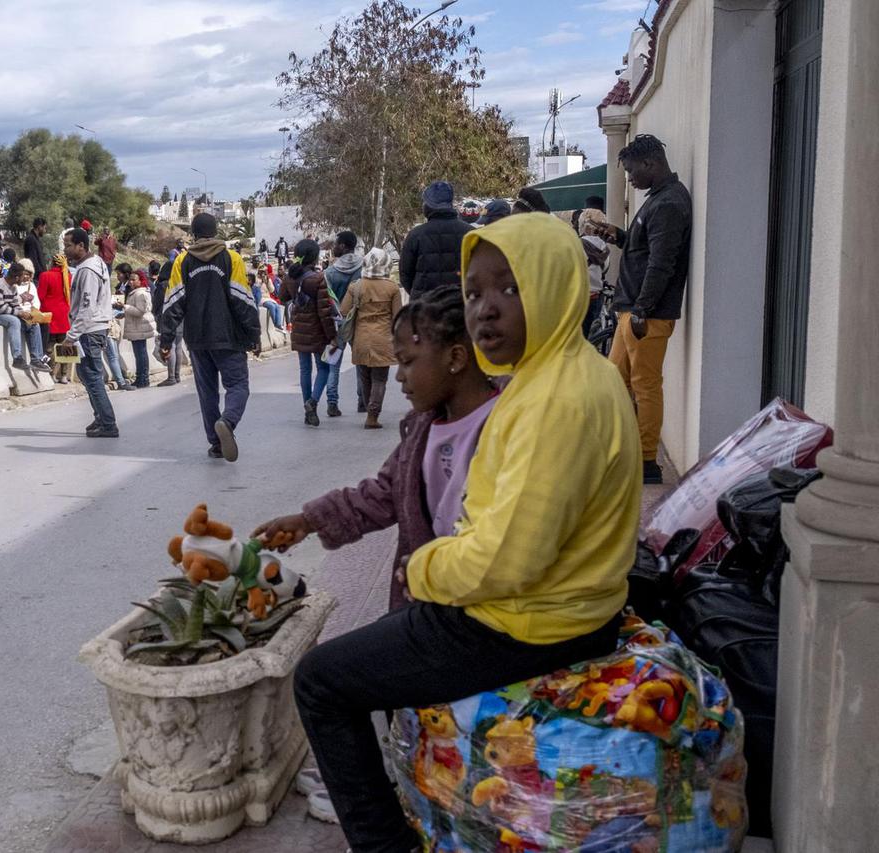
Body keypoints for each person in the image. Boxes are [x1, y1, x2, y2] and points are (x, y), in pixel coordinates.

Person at [263, 212, 641, 852]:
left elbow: (506, 559)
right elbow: (386, 493)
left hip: (523, 621)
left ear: (555, 286)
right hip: (546, 608)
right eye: (474, 294)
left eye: (510, 288)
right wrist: (312, 520)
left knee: (321, 682)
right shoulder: (562, 374)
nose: (486, 309)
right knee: (374, 667)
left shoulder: (554, 400)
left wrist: (419, 571)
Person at [599, 134, 692, 485]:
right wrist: (618, 236)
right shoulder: (659, 200)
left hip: (646, 315)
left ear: (650, 163)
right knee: (615, 381)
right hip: (633, 311)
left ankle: (646, 460)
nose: (630, 179)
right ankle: (624, 450)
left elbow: (661, 263)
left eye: (632, 171)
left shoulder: (668, 204)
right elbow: (645, 251)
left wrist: (642, 308)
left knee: (645, 386)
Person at [159, 212, 261, 461]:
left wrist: (166, 340)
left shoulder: (182, 261)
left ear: (193, 234)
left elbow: (173, 303)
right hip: (229, 337)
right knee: (238, 385)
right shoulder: (232, 258)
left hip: (197, 339)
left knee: (207, 392)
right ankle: (228, 421)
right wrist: (254, 334)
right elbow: (242, 300)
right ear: (215, 232)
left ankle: (216, 444)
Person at [64, 228, 119, 438]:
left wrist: (72, 336)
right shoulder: (95, 263)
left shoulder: (88, 270)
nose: (65, 250)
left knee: (93, 377)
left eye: (68, 245)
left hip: (89, 330)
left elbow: (87, 307)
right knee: (86, 375)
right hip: (92, 328)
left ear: (81, 245)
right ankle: (100, 417)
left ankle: (108, 423)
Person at [339, 247, 403, 429]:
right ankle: (373, 416)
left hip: (361, 339)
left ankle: (369, 411)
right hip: (383, 338)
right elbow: (398, 316)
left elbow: (344, 311)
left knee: (365, 377)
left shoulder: (356, 286)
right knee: (379, 379)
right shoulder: (392, 288)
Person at [280, 238, 337, 427]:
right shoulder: (318, 278)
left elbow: (282, 297)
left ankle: (308, 409)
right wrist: (332, 336)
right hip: (318, 332)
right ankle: (312, 402)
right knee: (324, 368)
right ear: (314, 257)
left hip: (299, 330)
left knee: (305, 370)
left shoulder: (290, 276)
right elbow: (324, 312)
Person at [399, 180, 475, 297]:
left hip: (424, 304)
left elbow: (405, 275)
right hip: (460, 303)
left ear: (429, 206)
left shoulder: (415, 235)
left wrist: (419, 294)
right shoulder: (470, 233)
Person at [323, 230, 365, 417]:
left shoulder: (330, 272)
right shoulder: (363, 268)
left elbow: (327, 300)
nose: (334, 247)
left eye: (336, 244)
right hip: (358, 321)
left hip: (336, 324)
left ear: (344, 246)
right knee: (361, 363)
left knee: (333, 365)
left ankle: (332, 403)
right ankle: (362, 400)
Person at [0, 262, 32, 370]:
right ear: (16, 277)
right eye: (22, 277)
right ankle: (17, 358)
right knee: (14, 321)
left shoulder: (13, 288)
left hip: (3, 314)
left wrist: (25, 315)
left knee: (33, 323)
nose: (23, 279)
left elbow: (15, 305)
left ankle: (37, 358)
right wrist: (19, 313)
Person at [37, 252, 73, 384]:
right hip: (64, 315)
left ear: (51, 263)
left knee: (49, 346)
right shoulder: (68, 276)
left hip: (49, 315)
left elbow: (40, 296)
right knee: (64, 344)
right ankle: (63, 375)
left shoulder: (45, 275)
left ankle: (51, 373)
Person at [151, 257, 185, 385]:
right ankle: (177, 375)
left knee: (170, 346)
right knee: (178, 346)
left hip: (167, 318)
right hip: (180, 318)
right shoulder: (181, 284)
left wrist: (155, 313)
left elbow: (157, 303)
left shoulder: (163, 285)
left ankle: (171, 377)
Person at [577, 208, 611, 337]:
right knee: (594, 335)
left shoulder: (576, 245)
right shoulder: (605, 248)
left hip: (578, 298)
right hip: (596, 297)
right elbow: (605, 269)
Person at [123, 270, 156, 388]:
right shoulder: (135, 293)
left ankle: (143, 379)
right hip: (137, 328)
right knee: (139, 354)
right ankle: (141, 378)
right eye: (130, 280)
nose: (131, 282)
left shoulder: (140, 294)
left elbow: (140, 311)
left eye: (134, 280)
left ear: (140, 281)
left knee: (141, 354)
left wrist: (125, 307)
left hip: (139, 328)